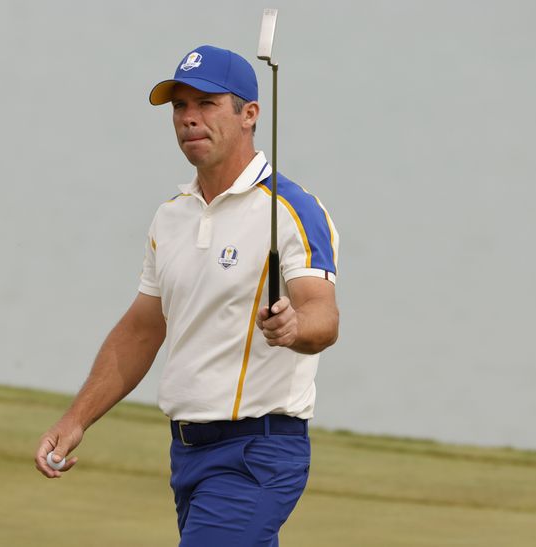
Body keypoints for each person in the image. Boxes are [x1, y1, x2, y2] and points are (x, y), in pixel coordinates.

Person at [35, 44, 339, 546]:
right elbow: (141, 330)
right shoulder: (170, 216)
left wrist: (294, 327)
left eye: (207, 103)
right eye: (180, 107)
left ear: (249, 114)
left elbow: (322, 316)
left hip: (258, 452)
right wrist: (76, 420)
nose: (190, 119)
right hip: (187, 454)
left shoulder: (290, 209)